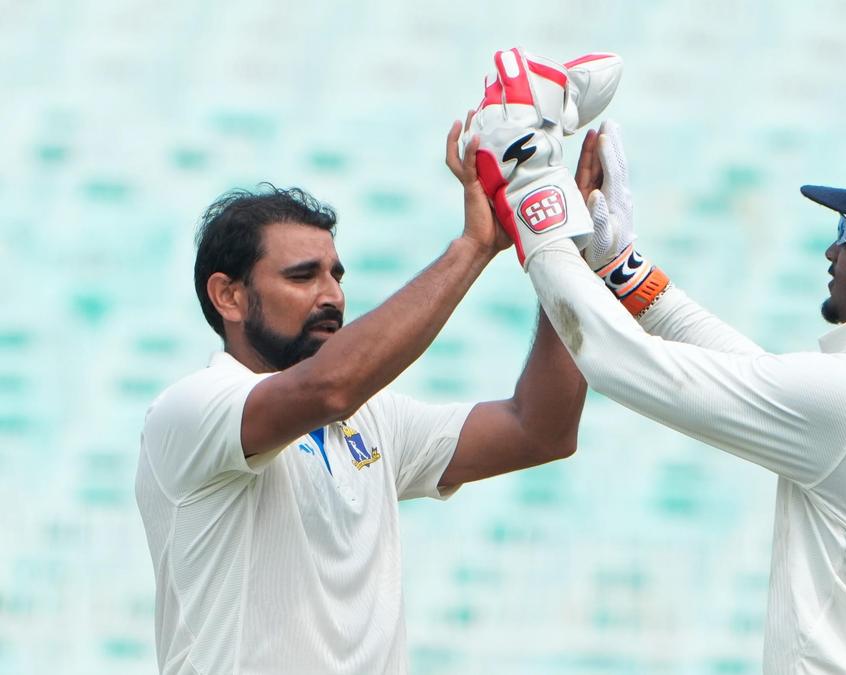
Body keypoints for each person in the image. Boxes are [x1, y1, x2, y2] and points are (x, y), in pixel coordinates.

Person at [463, 55, 846, 673]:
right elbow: (765, 380)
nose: (832, 249)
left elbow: (619, 363)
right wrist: (619, 265)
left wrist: (532, 190)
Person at [134, 120, 588, 675]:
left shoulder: (371, 418)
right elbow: (330, 388)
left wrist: (564, 256)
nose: (331, 295)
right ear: (228, 296)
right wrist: (474, 247)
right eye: (303, 277)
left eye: (335, 274)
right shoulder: (193, 408)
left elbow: (540, 429)